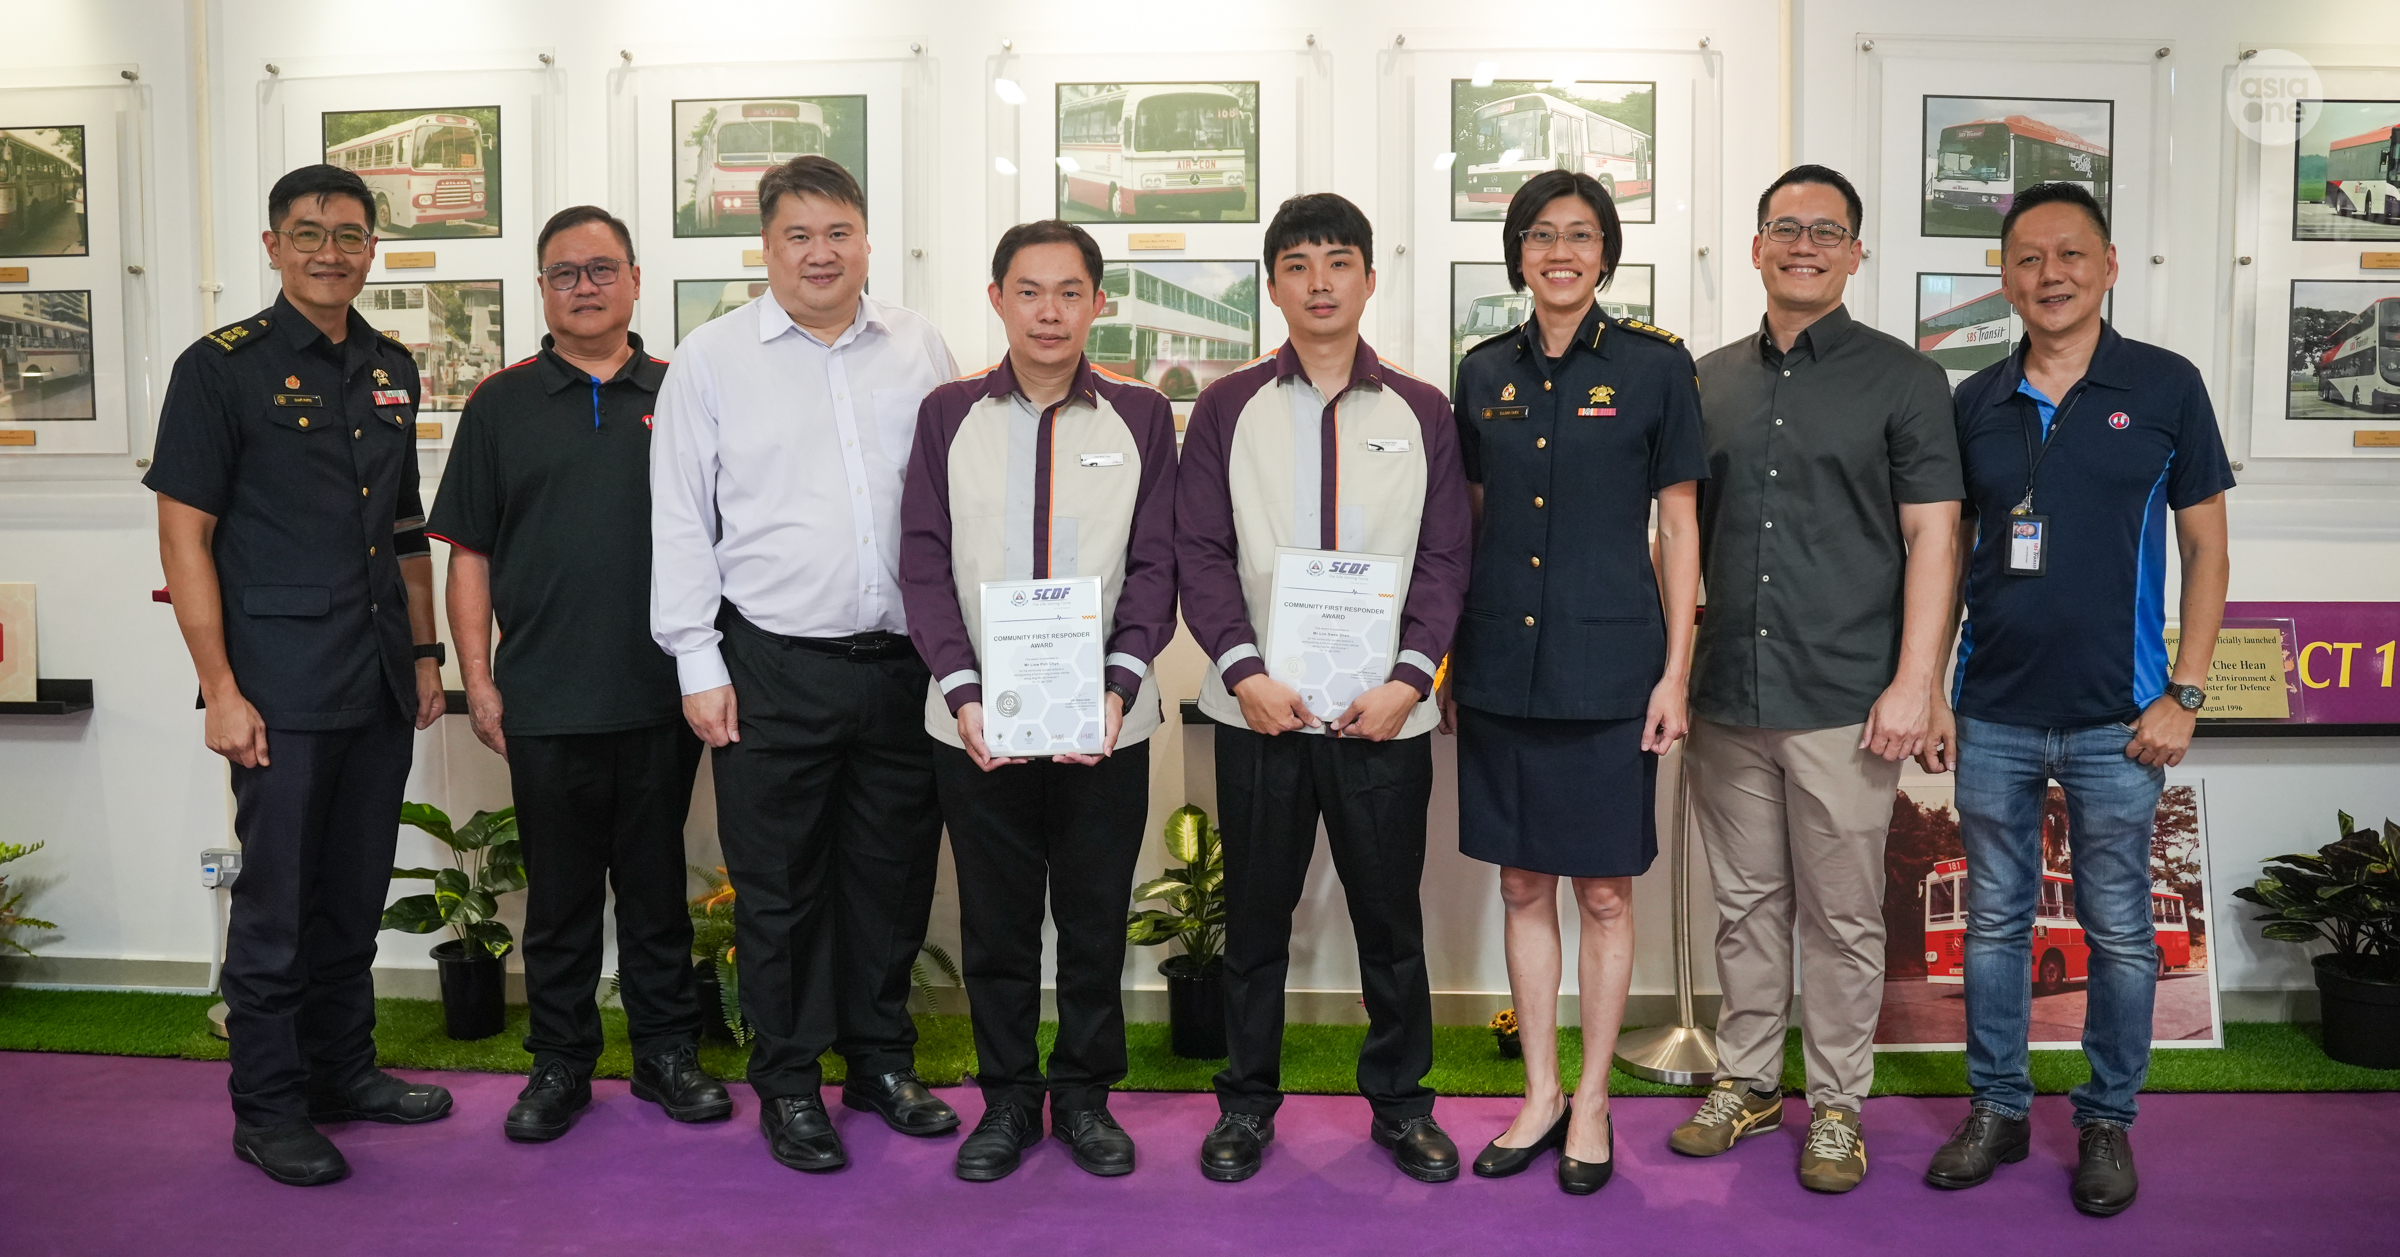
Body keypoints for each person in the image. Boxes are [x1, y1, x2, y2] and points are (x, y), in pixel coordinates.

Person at [1918, 182, 2232, 1218]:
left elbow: (2207, 549)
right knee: (1997, 925)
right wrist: (1934, 689)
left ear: (2108, 266)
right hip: (1994, 713)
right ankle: (1998, 1108)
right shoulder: (1973, 400)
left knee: (2122, 931)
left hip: (2120, 721)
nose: (2049, 274)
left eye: (2069, 255)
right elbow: (1947, 555)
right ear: (2005, 277)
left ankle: (2106, 1120)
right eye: (2027, 258)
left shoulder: (2167, 385)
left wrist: (2185, 692)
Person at [650, 155, 960, 1173]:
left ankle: (879, 1063)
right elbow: (680, 518)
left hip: (904, 664)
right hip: (770, 666)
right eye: (798, 235)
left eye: (838, 233)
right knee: (778, 889)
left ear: (866, 239)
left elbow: (954, 498)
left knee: (891, 878)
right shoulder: (712, 360)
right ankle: (787, 1082)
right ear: (766, 247)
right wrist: (696, 660)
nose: (820, 253)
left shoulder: (920, 345)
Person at [146, 164, 453, 1186]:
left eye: (350, 234)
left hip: (377, 678)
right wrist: (220, 688)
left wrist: (425, 656)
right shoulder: (218, 369)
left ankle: (342, 1072)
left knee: (354, 895)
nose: (331, 251)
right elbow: (185, 538)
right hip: (278, 684)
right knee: (277, 907)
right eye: (309, 232)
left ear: (372, 250)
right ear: (274, 245)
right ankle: (270, 1108)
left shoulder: (392, 367)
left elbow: (405, 528)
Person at [1673, 165, 1963, 1193]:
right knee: (1746, 908)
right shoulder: (1705, 381)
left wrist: (1917, 681)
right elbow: (1675, 536)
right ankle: (1750, 1080)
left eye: (1826, 231)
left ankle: (1837, 1104)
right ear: (1756, 247)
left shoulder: (1906, 381)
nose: (1805, 245)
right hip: (1727, 696)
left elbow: (1935, 538)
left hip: (1849, 700)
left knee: (1843, 919)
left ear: (1855, 253)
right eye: (1786, 228)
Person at [1177, 193, 1472, 1185]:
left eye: (1338, 262)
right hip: (1259, 713)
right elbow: (1200, 551)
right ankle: (1246, 1103)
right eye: (1297, 265)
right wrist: (1244, 672)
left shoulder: (1422, 410)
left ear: (1369, 280)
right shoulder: (1228, 407)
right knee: (1256, 923)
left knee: (1390, 923)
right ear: (1273, 287)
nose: (1319, 282)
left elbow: (1446, 556)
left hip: (1384, 717)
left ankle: (1402, 1105)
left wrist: (1410, 679)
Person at [426, 205, 728, 1143]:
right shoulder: (499, 403)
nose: (585, 286)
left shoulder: (683, 390)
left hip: (663, 692)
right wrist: (479, 678)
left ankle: (666, 1054)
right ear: (542, 288)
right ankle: (560, 1062)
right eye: (565, 272)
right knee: (557, 899)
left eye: (602, 268)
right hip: (545, 697)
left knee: (654, 890)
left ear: (635, 279)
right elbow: (468, 553)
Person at [1441, 169, 1705, 1195]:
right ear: (1518, 254)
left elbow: (1678, 525)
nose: (1561, 252)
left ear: (1606, 254)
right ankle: (1541, 1093)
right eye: (1542, 235)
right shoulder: (1480, 371)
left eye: (1582, 235)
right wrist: (1450, 657)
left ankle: (1592, 1099)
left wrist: (1675, 672)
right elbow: (1466, 525)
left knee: (1602, 891)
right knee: (1520, 883)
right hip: (1502, 667)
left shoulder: (1654, 368)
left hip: (1610, 672)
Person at [899, 220, 1179, 1182]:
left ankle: (1087, 1096)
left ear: (1098, 302)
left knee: (1095, 919)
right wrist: (964, 691)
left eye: (1069, 292)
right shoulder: (948, 414)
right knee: (997, 923)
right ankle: (1010, 1099)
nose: (1049, 312)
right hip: (974, 723)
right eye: (1029, 291)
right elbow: (923, 561)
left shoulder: (1143, 415)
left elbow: (1156, 563)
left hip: (1108, 722)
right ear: (997, 299)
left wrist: (1119, 685)